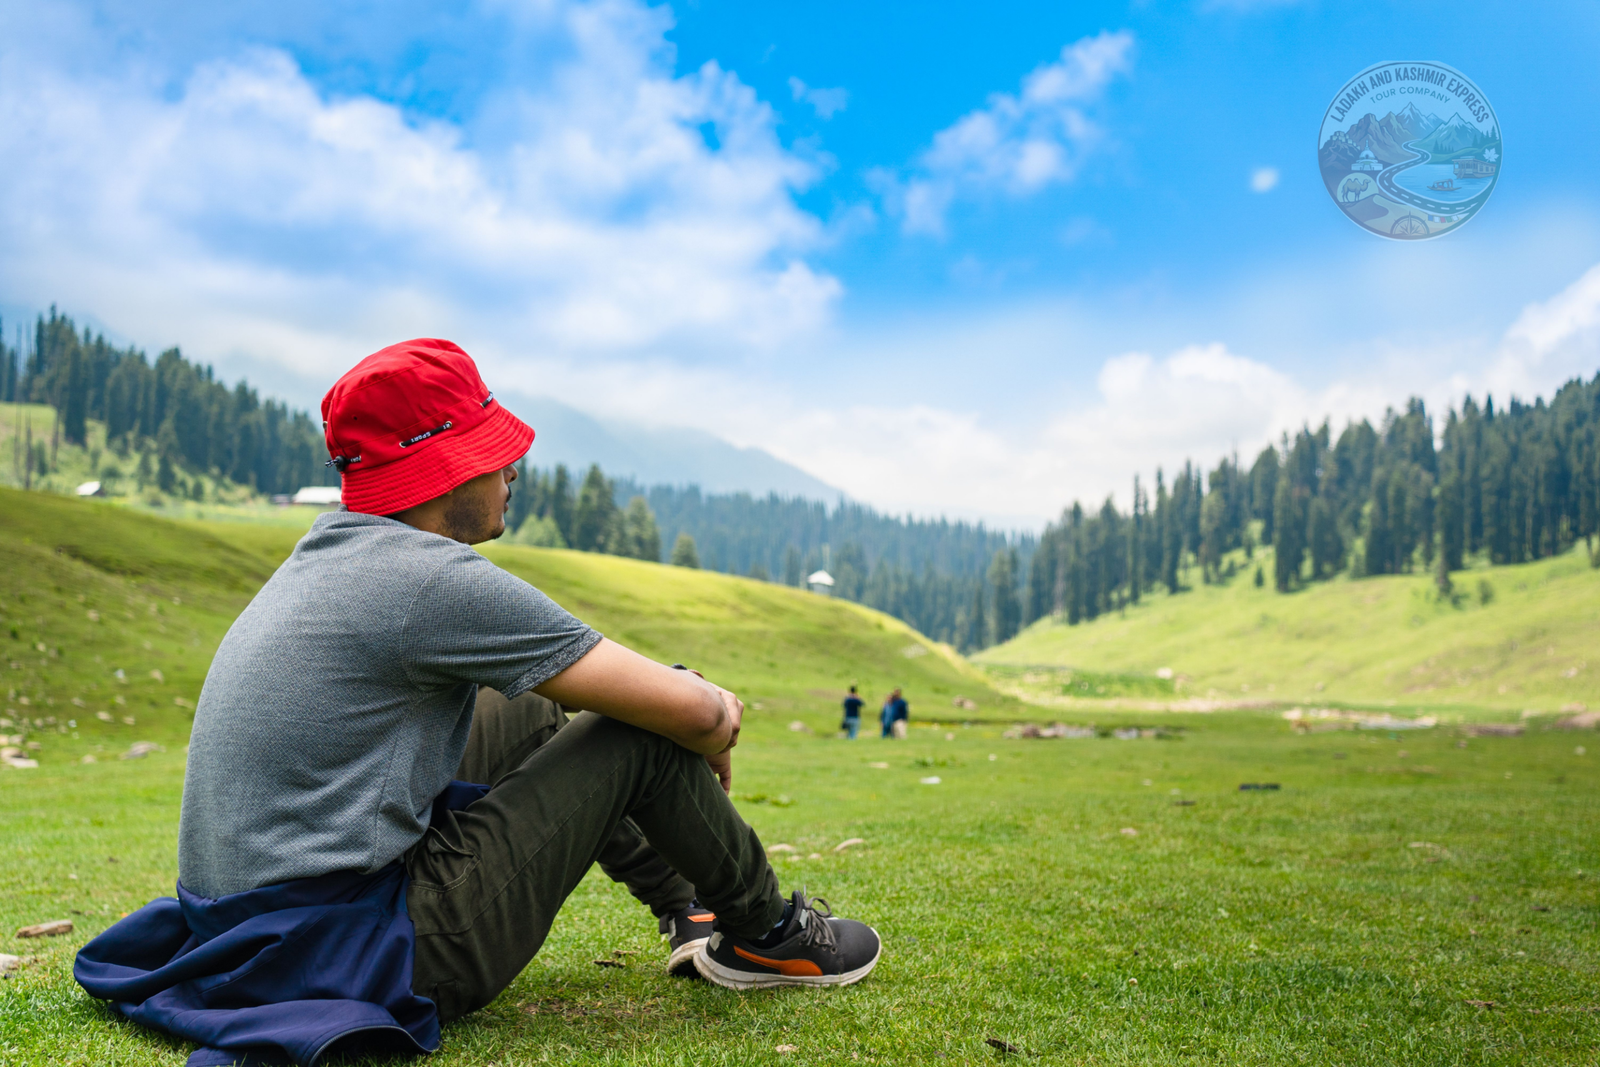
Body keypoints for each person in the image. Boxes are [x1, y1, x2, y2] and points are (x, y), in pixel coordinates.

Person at [74, 339, 881, 1067]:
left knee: (528, 707)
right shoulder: (433, 580)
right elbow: (694, 713)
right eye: (493, 454)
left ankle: (692, 913)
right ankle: (771, 936)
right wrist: (710, 720)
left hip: (248, 936)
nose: (512, 471)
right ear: (443, 470)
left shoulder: (326, 551)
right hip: (366, 945)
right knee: (638, 733)